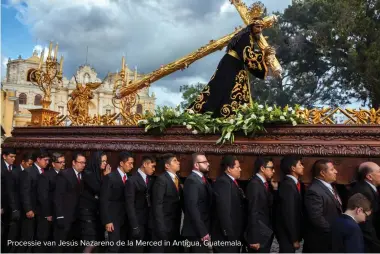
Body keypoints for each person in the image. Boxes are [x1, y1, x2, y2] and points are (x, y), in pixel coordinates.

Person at [188, 17, 276, 118]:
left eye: (261, 27)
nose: (259, 30)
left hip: (235, 65)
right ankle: (216, 114)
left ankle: (233, 115)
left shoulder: (249, 37)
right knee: (223, 88)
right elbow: (247, 55)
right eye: (257, 27)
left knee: (231, 89)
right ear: (251, 26)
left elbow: (247, 55)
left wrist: (263, 56)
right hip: (231, 65)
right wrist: (263, 54)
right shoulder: (245, 36)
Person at [303, 159, 342, 253]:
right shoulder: (314, 191)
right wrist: (333, 232)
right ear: (322, 173)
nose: (336, 172)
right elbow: (316, 218)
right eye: (332, 170)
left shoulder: (330, 186)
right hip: (321, 243)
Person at [211, 155, 246, 253]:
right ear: (229, 169)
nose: (240, 169)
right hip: (226, 237)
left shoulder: (231, 182)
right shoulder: (223, 182)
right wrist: (229, 234)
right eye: (237, 167)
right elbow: (224, 209)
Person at [100, 151, 133, 253]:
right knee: (114, 247)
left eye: (132, 163)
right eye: (129, 163)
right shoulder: (110, 177)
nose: (131, 166)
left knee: (123, 247)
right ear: (121, 163)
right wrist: (107, 220)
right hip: (113, 219)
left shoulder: (129, 178)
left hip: (125, 218)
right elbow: (104, 200)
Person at [54, 152, 86, 252]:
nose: (83, 165)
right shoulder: (64, 174)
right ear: (73, 162)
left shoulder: (84, 175)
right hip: (65, 217)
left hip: (77, 218)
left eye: (84, 163)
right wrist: (59, 216)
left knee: (72, 246)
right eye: (80, 162)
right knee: (60, 246)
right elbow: (58, 197)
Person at [18, 149, 50, 252]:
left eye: (48, 160)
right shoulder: (28, 172)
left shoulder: (45, 172)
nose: (47, 162)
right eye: (45, 160)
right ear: (38, 159)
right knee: (27, 238)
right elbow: (25, 192)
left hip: (40, 211)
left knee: (38, 238)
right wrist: (28, 209)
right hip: (30, 211)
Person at [79, 151, 111, 252]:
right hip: (87, 212)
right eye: (103, 161)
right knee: (90, 242)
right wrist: (106, 177)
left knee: (97, 242)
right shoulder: (88, 173)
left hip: (96, 213)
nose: (105, 163)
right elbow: (98, 189)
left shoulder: (100, 174)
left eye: (106, 161)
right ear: (96, 161)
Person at [151, 153, 183, 253]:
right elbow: (158, 205)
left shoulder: (177, 178)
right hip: (164, 223)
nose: (178, 162)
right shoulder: (161, 180)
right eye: (175, 160)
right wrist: (161, 226)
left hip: (174, 223)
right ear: (167, 165)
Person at [182, 152, 213, 253]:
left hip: (202, 229)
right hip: (195, 232)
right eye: (204, 162)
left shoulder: (202, 179)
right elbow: (192, 208)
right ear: (196, 165)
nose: (208, 164)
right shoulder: (192, 180)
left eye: (207, 161)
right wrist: (202, 232)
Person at [245, 157, 277, 253]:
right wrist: (254, 238)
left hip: (265, 232)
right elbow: (253, 212)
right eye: (271, 168)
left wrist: (274, 189)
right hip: (258, 235)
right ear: (262, 168)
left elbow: (269, 203)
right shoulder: (255, 184)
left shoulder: (264, 184)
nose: (274, 171)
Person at [125, 155, 156, 252]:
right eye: (152, 166)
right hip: (137, 222)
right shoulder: (132, 180)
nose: (154, 169)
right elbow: (129, 205)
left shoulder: (151, 180)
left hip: (149, 222)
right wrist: (134, 225)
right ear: (145, 164)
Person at [35, 152, 65, 253]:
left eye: (63, 162)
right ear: (53, 164)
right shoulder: (46, 176)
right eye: (60, 162)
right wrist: (47, 213)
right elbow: (43, 196)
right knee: (43, 239)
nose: (62, 164)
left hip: (59, 213)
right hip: (47, 213)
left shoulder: (65, 175)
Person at [275, 156, 304, 253]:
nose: (303, 167)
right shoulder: (288, 185)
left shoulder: (294, 184)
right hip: (286, 234)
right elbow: (289, 213)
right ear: (293, 168)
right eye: (300, 164)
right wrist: (294, 238)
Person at [350, 162, 380, 252]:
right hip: (368, 242)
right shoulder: (363, 191)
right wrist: (376, 245)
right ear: (369, 177)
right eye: (379, 172)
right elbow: (364, 221)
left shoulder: (370, 188)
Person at [1, 148, 18, 252]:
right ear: (4, 156)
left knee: (8, 232)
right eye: (11, 157)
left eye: (14, 157)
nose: (13, 159)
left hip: (9, 206)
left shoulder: (14, 168)